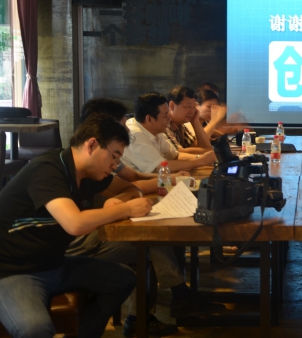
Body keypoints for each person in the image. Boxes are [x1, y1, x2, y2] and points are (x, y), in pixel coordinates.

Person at [68, 98, 221, 336]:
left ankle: (150, 311)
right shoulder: (91, 164)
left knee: (150, 237)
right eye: (121, 126)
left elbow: (131, 179)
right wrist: (129, 200)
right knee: (149, 240)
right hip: (86, 239)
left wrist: (169, 179)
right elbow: (121, 192)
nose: (126, 131)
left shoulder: (110, 157)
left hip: (100, 229)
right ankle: (167, 301)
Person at [0, 114, 152, 337]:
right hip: (14, 271)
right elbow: (75, 224)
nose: (114, 166)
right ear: (91, 145)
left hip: (55, 263)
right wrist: (125, 209)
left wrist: (117, 201)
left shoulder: (91, 175)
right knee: (35, 329)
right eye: (114, 156)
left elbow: (131, 188)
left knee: (124, 278)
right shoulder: (48, 169)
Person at [79, 98, 188, 194]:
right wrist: (169, 179)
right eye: (123, 126)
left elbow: (133, 176)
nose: (128, 130)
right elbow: (126, 188)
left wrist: (169, 177)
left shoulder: (108, 155)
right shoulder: (96, 163)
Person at [122, 92, 218, 173]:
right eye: (165, 115)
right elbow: (161, 167)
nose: (169, 119)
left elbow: (175, 155)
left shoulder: (155, 129)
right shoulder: (135, 134)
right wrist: (200, 161)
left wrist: (201, 157)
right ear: (149, 119)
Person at [164, 85, 214, 154]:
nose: (192, 111)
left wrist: (195, 122)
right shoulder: (164, 124)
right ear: (172, 106)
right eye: (188, 106)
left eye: (194, 107)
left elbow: (200, 146)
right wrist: (208, 151)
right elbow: (177, 153)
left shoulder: (181, 124)